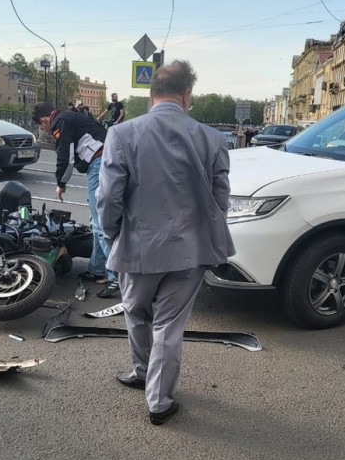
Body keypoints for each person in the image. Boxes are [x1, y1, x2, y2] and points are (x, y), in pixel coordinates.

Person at [97, 60, 235, 425]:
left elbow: (108, 198)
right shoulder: (213, 139)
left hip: (137, 247)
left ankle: (142, 372)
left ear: (151, 94)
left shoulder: (122, 134)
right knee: (169, 326)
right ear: (187, 94)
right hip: (190, 252)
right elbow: (221, 199)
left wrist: (113, 236)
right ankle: (158, 400)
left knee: (136, 313)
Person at [32, 100, 119, 297]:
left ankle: (117, 276)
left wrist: (61, 184)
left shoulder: (59, 122)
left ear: (44, 120)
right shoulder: (69, 117)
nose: (46, 131)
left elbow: (66, 156)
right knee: (95, 221)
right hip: (105, 159)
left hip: (99, 162)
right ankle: (98, 269)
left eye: (42, 127)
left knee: (100, 224)